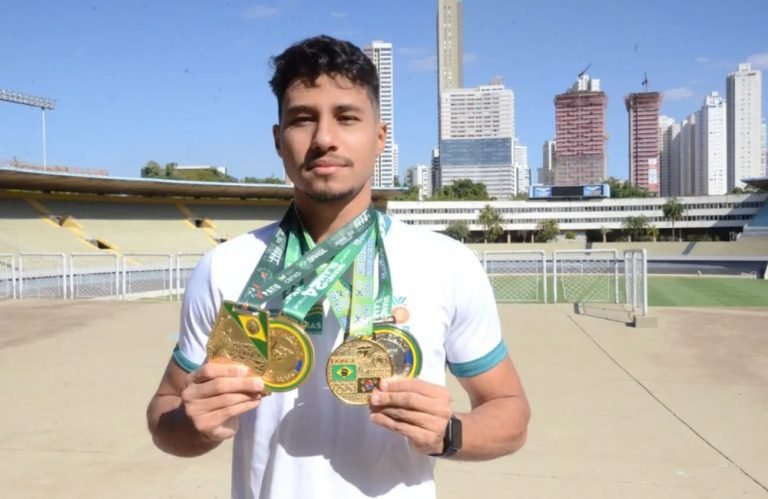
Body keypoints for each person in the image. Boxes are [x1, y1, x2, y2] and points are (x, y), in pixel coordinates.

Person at [146, 35, 530, 499]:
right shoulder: (226, 267)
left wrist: (448, 433)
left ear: (380, 137)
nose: (324, 138)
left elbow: (509, 412)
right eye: (302, 119)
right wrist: (192, 424)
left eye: (346, 117)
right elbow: (165, 410)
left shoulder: (446, 263)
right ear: (277, 139)